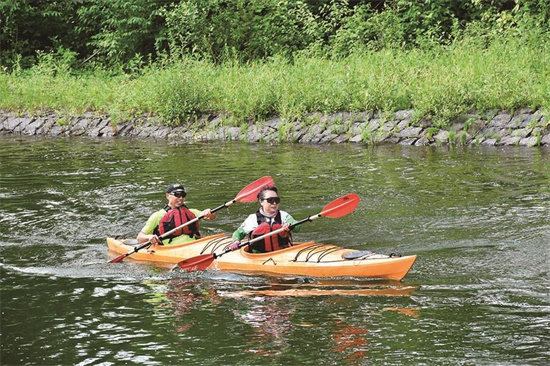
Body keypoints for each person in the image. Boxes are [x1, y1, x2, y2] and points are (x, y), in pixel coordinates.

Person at [137, 183, 215, 246]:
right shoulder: (158, 215)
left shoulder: (192, 212)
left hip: (194, 244)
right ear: (168, 196)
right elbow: (140, 238)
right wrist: (149, 237)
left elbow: (211, 217)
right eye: (177, 195)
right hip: (171, 249)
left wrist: (209, 213)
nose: (180, 198)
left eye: (183, 195)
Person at [231, 186, 300, 253]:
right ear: (261, 201)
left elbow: (297, 227)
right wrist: (236, 241)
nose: (274, 203)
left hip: (282, 253)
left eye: (276, 200)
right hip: (259, 256)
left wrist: (290, 225)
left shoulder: (283, 215)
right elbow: (238, 233)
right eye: (270, 200)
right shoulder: (253, 219)